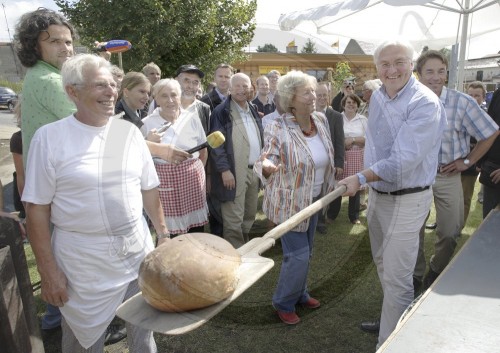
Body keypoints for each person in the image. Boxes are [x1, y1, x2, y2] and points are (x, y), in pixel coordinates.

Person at [23, 53, 168, 352]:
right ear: (72, 91)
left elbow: (149, 189)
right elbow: (36, 210)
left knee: (144, 333)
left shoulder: (126, 132)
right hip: (82, 266)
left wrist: (163, 235)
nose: (111, 92)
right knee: (82, 342)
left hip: (135, 254)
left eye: (113, 84)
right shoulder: (50, 138)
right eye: (100, 85)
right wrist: (49, 273)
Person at [339, 39, 446, 348]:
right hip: (379, 196)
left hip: (408, 198)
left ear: (411, 64)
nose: (392, 69)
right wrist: (365, 180)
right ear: (377, 69)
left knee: (398, 279)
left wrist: (359, 177)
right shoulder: (380, 98)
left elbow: (402, 160)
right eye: (384, 64)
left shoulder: (424, 102)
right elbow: (375, 148)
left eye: (399, 62)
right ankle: (395, 319)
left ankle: (389, 344)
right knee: (385, 268)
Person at [254, 70, 336, 325]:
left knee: (307, 252)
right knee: (298, 255)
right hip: (290, 203)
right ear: (292, 99)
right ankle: (283, 302)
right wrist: (267, 166)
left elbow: (325, 154)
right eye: (307, 93)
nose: (314, 96)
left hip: (315, 200)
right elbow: (267, 155)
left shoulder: (320, 120)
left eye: (314, 91)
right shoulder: (277, 126)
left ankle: (300, 293)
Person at [13, 6, 76, 335]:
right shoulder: (48, 79)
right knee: (59, 256)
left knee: (54, 250)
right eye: (54, 41)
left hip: (49, 184)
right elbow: (90, 123)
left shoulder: (43, 76)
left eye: (68, 42)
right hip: (55, 186)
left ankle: (55, 319)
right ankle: (59, 319)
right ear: (33, 45)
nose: (65, 48)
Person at [414, 50, 499, 289]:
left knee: (451, 231)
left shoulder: (462, 102)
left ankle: (435, 271)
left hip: (448, 175)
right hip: (416, 177)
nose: (436, 77)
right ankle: (415, 276)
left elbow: (491, 132)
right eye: (429, 71)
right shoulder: (409, 102)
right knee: (413, 231)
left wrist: (468, 161)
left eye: (441, 71)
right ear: (419, 74)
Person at [141, 79, 209, 236]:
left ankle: (194, 259)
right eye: (164, 96)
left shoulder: (192, 117)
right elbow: (140, 159)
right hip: (164, 182)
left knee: (195, 231)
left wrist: (199, 173)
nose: (170, 100)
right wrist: (150, 143)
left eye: (174, 95)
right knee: (170, 232)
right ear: (156, 99)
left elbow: (203, 149)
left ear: (180, 97)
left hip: (192, 179)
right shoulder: (146, 123)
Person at [209, 72, 263, 248]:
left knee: (249, 214)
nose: (241, 89)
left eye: (245, 85)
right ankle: (236, 255)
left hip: (253, 171)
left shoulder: (252, 108)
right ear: (230, 89)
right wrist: (225, 170)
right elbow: (216, 145)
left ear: (250, 88)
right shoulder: (221, 112)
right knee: (234, 218)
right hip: (233, 172)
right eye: (237, 86)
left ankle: (244, 248)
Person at [329, 93, 367, 225]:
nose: (351, 105)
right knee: (337, 184)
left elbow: (367, 139)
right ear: (343, 105)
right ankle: (332, 215)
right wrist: (343, 143)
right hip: (341, 156)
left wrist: (353, 140)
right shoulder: (338, 118)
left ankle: (354, 216)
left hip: (356, 156)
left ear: (357, 105)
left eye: (354, 102)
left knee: (355, 187)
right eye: (348, 102)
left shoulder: (362, 120)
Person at [314, 82, 345, 234]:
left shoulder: (336, 116)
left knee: (327, 191)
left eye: (324, 95)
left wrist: (339, 163)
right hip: (313, 162)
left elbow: (340, 141)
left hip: (330, 162)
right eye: (318, 95)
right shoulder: (307, 114)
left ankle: (323, 218)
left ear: (329, 97)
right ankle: (314, 221)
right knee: (314, 191)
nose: (321, 98)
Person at [461, 81, 487, 223]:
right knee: (449, 198)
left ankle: (457, 227)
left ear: (483, 97)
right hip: (453, 162)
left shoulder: (485, 117)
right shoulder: (460, 113)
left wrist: (479, 162)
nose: (473, 98)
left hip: (471, 163)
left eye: (477, 95)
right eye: (470, 95)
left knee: (465, 197)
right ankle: (445, 223)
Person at [480, 87, 500, 218]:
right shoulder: (498, 94)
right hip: (492, 170)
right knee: (489, 222)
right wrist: (481, 162)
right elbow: (490, 129)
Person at [175, 64, 211, 134]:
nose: (191, 86)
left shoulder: (204, 109)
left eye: (195, 82)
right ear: (177, 80)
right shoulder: (165, 105)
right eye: (186, 81)